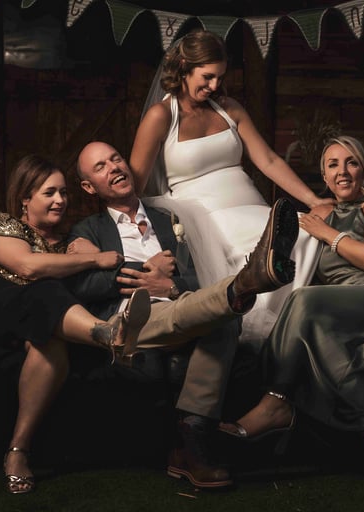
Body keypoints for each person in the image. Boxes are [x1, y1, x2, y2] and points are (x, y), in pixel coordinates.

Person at [66, 140, 300, 489]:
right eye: (100, 167)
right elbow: (83, 285)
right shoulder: (87, 231)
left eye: (115, 158)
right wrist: (145, 271)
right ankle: (245, 282)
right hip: (131, 323)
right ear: (89, 187)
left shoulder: (169, 220)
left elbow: (199, 277)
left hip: (183, 307)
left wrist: (171, 285)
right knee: (223, 310)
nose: (114, 167)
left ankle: (191, 441)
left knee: (220, 316)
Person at [219, 136, 364, 488]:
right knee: (318, 332)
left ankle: (276, 401)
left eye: (351, 162)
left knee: (305, 301)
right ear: (324, 178)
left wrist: (327, 233)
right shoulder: (316, 216)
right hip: (340, 306)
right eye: (333, 165)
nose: (343, 171)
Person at [0, 154, 153, 494]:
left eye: (63, 192)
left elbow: (112, 263)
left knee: (48, 339)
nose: (60, 200)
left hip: (36, 330)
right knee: (43, 290)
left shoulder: (72, 240)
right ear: (25, 199)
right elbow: (28, 267)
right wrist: (91, 258)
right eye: (49, 193)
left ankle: (17, 451)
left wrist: (95, 254)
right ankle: (107, 333)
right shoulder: (1, 224)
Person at [129, 28, 335, 348]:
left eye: (219, 77)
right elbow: (134, 186)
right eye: (207, 76)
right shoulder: (161, 116)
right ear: (184, 67)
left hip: (252, 206)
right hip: (204, 215)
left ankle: (290, 329)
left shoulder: (229, 108)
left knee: (303, 230)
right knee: (261, 245)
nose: (214, 85)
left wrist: (313, 200)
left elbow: (268, 160)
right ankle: (264, 335)